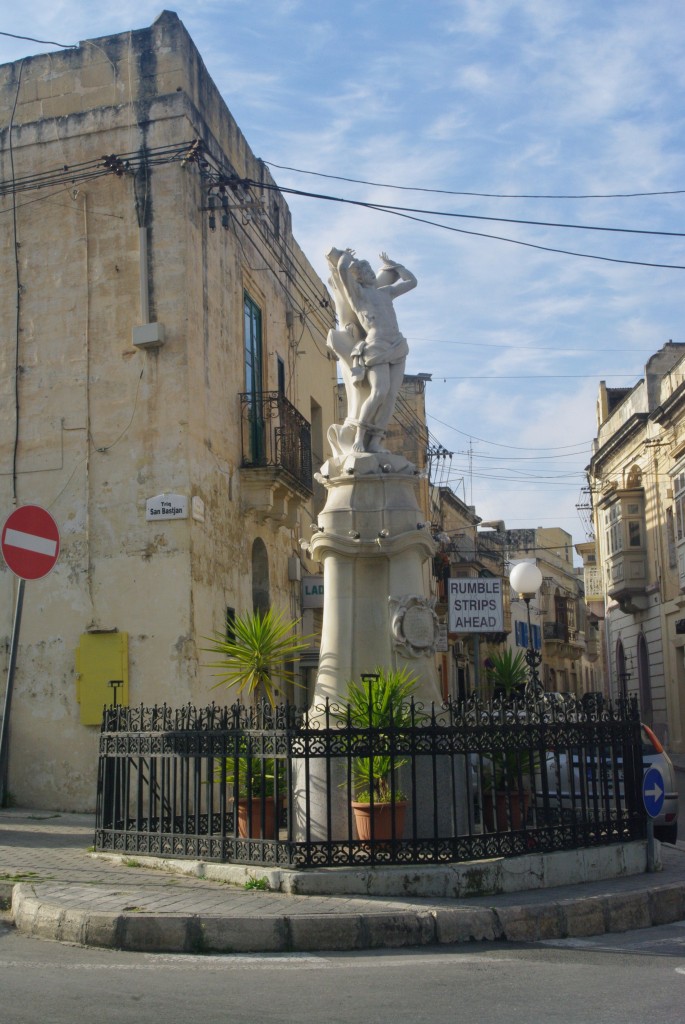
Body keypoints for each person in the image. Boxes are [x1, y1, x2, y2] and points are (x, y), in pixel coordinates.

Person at [325, 247, 417, 454]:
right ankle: (359, 436)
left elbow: (412, 282)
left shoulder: (386, 292)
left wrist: (395, 266)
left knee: (391, 395)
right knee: (378, 392)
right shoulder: (358, 296)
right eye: (363, 271)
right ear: (358, 278)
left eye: (369, 269)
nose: (369, 273)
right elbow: (341, 271)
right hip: (376, 345)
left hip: (397, 344)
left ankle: (375, 440)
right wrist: (345, 258)